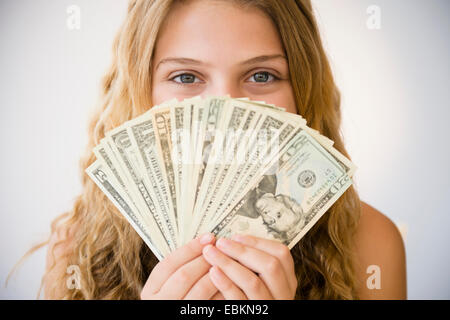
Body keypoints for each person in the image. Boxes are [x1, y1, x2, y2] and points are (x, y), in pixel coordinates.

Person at [35, 0, 406, 299]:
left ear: (301, 91)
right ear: (143, 92)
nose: (224, 109)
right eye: (186, 77)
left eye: (262, 75)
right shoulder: (77, 249)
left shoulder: (370, 245)